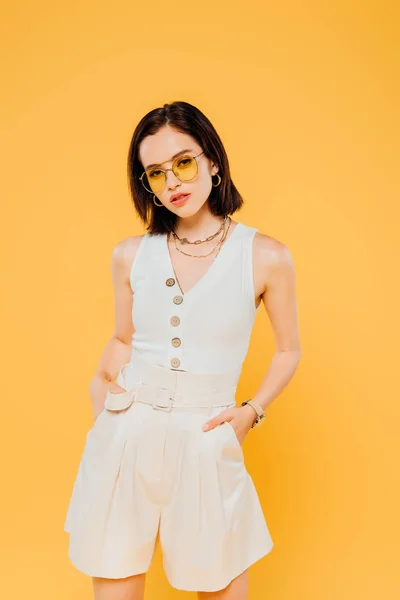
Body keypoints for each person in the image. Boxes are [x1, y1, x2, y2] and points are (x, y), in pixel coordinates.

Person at [64, 100, 302, 600]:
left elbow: (288, 350)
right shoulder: (130, 254)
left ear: (213, 161)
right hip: (127, 432)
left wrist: (251, 412)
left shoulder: (266, 256)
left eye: (184, 162)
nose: (172, 181)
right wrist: (99, 390)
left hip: (205, 437)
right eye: (155, 172)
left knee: (220, 584)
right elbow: (122, 339)